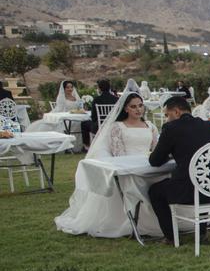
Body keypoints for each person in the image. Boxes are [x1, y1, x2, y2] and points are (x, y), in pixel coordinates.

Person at [55, 92, 161, 238]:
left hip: (148, 166)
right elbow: (118, 155)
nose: (138, 109)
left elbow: (155, 150)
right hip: (128, 167)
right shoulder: (118, 127)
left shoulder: (150, 126)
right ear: (126, 109)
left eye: (140, 105)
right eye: (133, 106)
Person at [148, 96, 210, 243]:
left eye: (167, 115)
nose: (166, 119)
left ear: (176, 112)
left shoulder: (171, 128)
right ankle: (202, 233)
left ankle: (171, 237)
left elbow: (155, 160)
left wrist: (169, 154)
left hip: (191, 191)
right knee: (201, 179)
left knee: (155, 191)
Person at [80, 79, 118, 150]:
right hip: (113, 125)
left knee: (84, 124)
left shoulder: (97, 99)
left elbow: (93, 116)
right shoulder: (116, 99)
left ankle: (87, 146)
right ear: (109, 87)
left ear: (99, 88)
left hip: (99, 126)